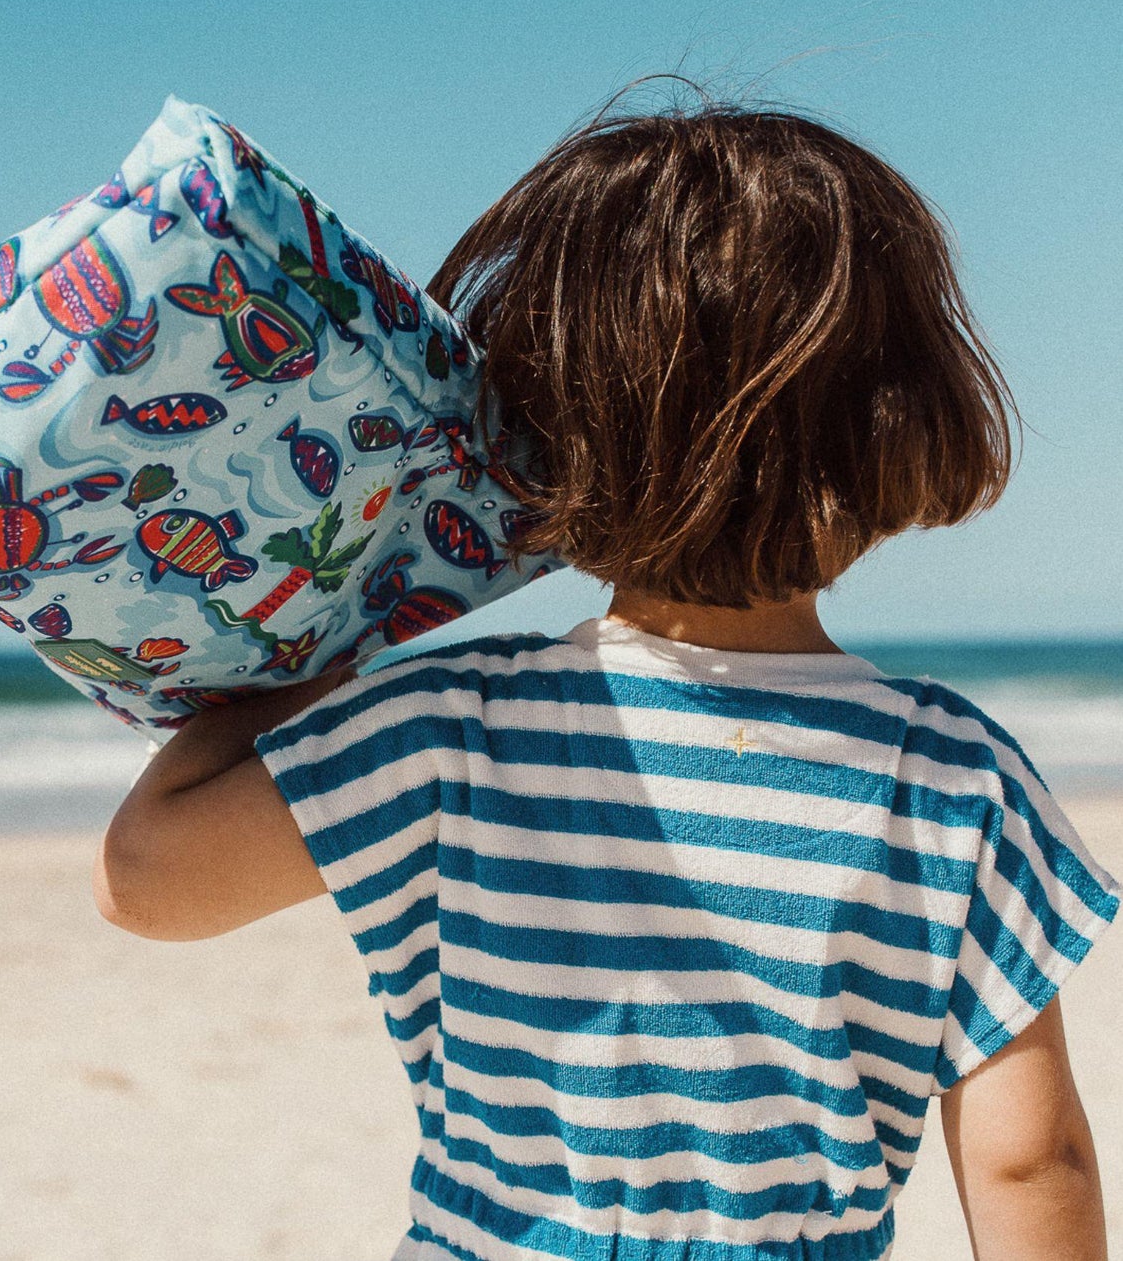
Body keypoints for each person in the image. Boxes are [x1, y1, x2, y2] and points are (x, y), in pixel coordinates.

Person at [92, 87, 1119, 1261]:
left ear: (535, 430)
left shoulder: (452, 732)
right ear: (896, 423)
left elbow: (145, 881)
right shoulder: (949, 778)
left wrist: (313, 629)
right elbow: (1031, 1158)